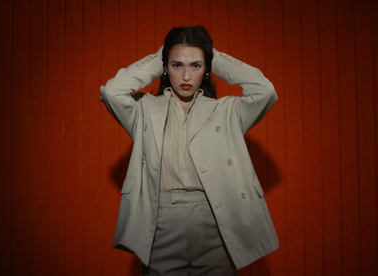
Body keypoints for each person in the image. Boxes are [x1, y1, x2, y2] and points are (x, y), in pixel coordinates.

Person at [100, 26, 279, 275]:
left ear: (206, 69)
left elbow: (265, 91)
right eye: (176, 65)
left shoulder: (226, 112)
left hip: (216, 225)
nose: (186, 76)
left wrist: (212, 56)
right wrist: (159, 58)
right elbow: (112, 92)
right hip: (160, 227)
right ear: (165, 67)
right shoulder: (144, 110)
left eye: (196, 65)